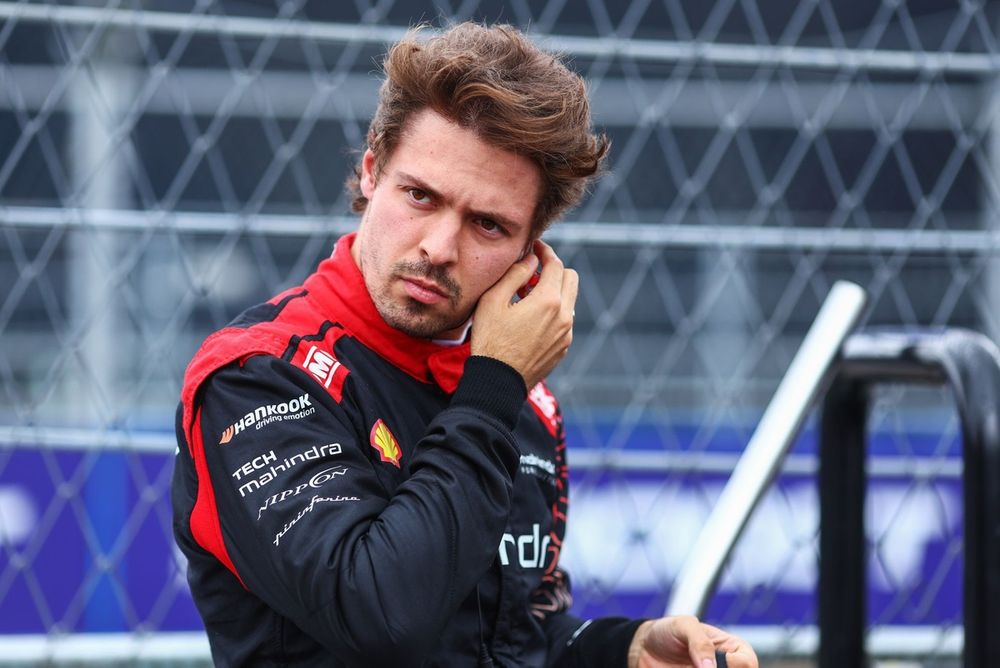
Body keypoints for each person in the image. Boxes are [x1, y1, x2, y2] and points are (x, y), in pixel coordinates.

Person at [172, 21, 758, 668]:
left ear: (532, 248)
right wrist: (493, 389)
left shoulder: (522, 398)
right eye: (420, 196)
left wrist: (624, 649)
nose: (439, 248)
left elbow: (515, 639)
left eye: (487, 224)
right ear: (371, 171)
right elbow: (379, 615)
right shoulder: (257, 375)